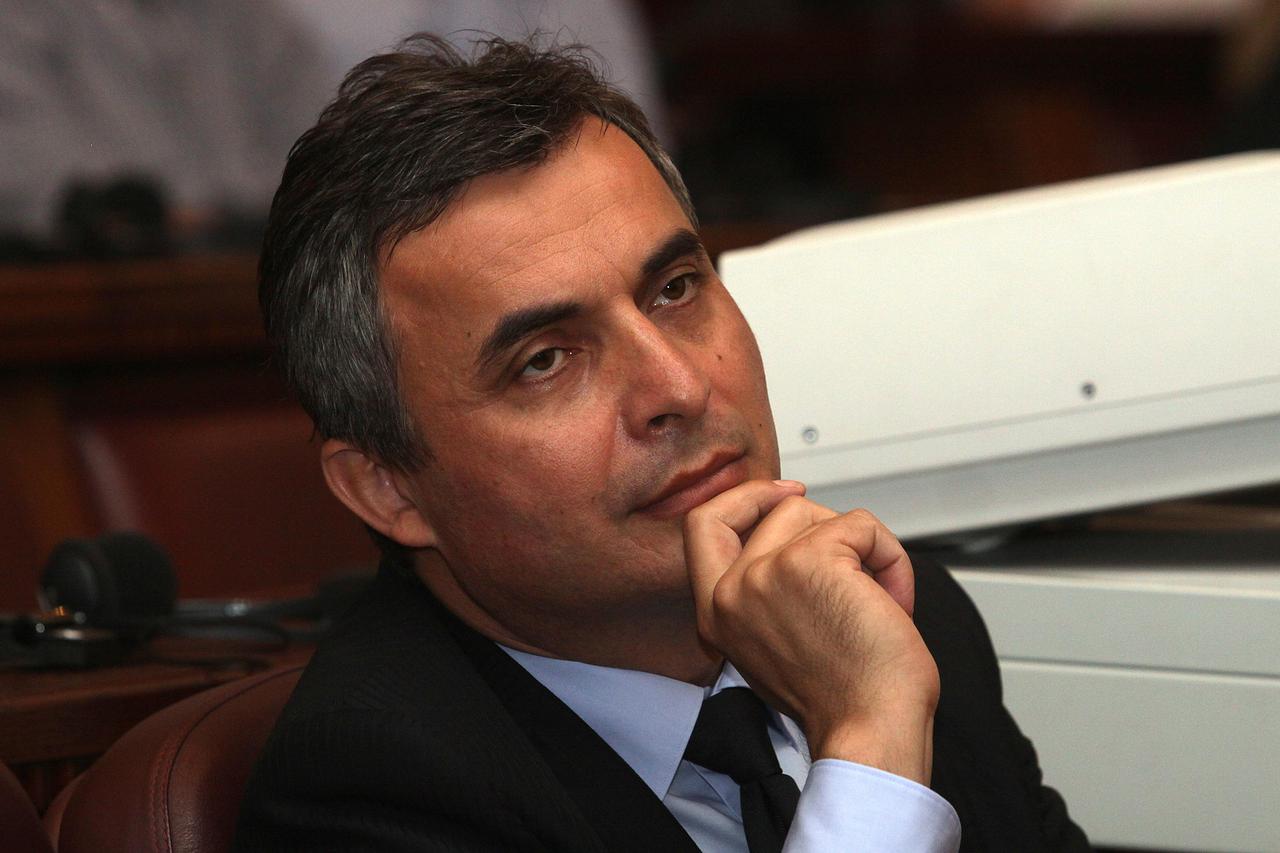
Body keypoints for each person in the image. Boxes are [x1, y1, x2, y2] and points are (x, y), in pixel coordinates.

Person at [235, 34, 1090, 852]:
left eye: (675, 288)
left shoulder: (897, 617)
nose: (678, 387)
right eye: (545, 360)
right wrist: (870, 746)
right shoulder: (373, 784)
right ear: (388, 486)